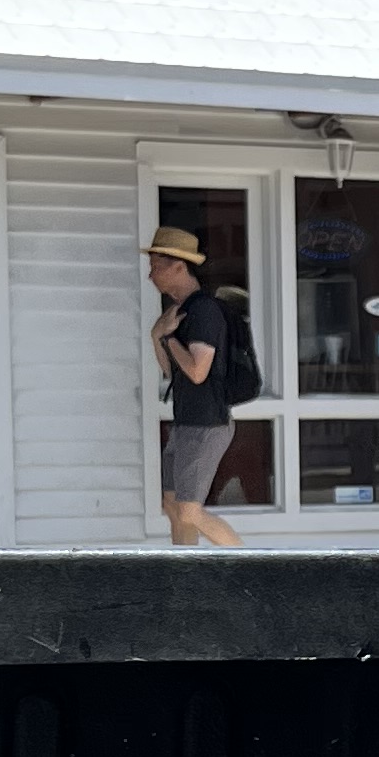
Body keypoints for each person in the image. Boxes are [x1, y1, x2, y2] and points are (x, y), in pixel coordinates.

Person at [146, 229, 240, 547]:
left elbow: (198, 372)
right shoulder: (181, 312)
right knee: (173, 506)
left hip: (207, 424)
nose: (150, 276)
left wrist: (169, 337)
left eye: (156, 266)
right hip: (185, 422)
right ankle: (184, 574)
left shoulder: (204, 311)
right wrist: (158, 335)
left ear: (178, 266)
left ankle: (253, 568)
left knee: (189, 511)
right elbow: (171, 371)